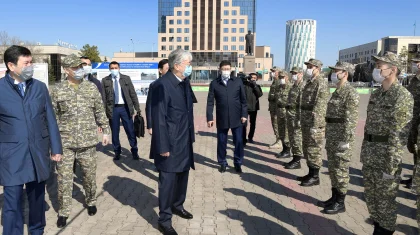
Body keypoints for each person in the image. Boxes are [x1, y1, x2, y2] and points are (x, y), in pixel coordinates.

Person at [0, 45, 63, 235]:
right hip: (12, 155)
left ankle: (37, 230)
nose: (31, 66)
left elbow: (50, 119)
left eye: (31, 62)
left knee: (36, 198)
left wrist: (56, 148)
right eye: (26, 63)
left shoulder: (39, 87)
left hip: (38, 152)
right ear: (11, 66)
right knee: (12, 201)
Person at [50, 54, 110, 228]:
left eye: (80, 67)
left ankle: (91, 201)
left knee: (89, 177)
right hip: (65, 143)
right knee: (64, 179)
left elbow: (100, 111)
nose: (79, 70)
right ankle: (63, 211)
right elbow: (52, 118)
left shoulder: (91, 88)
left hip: (88, 142)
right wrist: (53, 144)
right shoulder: (58, 90)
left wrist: (106, 131)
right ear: (66, 70)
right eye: (75, 68)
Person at [361, 52, 413, 234]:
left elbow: (399, 134)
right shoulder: (376, 94)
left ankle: (385, 230)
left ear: (393, 70)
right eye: (376, 66)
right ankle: (378, 227)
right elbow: (368, 126)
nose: (376, 69)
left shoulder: (402, 96)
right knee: (371, 197)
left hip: (386, 158)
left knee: (386, 201)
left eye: (380, 66)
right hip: (370, 153)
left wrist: (391, 165)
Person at [150, 49, 195, 235]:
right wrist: (163, 146)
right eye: (188, 63)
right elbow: (159, 118)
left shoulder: (184, 82)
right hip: (169, 142)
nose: (190, 67)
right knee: (167, 182)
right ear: (177, 66)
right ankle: (164, 220)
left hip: (184, 140)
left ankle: (178, 205)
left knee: (182, 177)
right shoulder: (161, 85)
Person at [317, 62, 359, 214]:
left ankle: (340, 202)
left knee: (341, 170)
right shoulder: (337, 91)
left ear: (345, 73)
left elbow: (351, 121)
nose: (334, 73)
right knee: (333, 168)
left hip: (342, 138)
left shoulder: (350, 92)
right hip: (332, 135)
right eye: (334, 70)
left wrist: (345, 142)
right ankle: (334, 198)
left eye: (337, 71)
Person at [207, 60, 248, 173]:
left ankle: (238, 163)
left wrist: (244, 115)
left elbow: (244, 101)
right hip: (222, 117)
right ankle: (222, 163)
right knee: (221, 142)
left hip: (237, 117)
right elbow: (210, 102)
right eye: (224, 69)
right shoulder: (214, 83)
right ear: (219, 70)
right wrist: (209, 117)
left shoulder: (237, 81)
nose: (226, 71)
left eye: (228, 69)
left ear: (231, 70)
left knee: (239, 141)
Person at [297, 58, 329, 187]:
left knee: (314, 149)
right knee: (307, 147)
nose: (308, 69)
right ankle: (310, 173)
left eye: (310, 67)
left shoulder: (320, 82)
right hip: (306, 120)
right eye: (307, 66)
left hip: (314, 122)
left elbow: (320, 105)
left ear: (318, 68)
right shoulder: (310, 82)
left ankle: (315, 176)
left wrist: (315, 126)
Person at [102, 61, 141, 160]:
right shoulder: (105, 80)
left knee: (130, 130)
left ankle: (134, 150)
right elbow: (103, 98)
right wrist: (103, 112)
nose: (114, 69)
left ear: (119, 68)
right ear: (109, 69)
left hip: (125, 108)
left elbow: (132, 94)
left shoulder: (126, 78)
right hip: (113, 109)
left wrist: (138, 108)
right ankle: (117, 152)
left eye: (116, 67)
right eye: (112, 68)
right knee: (115, 132)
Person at [283, 67, 305, 169]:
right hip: (290, 115)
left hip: (297, 116)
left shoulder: (302, 86)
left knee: (297, 138)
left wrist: (300, 119)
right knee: (291, 137)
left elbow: (302, 104)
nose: (293, 75)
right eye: (292, 73)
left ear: (301, 74)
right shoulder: (294, 86)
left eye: (295, 73)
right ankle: (294, 158)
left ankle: (297, 160)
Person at [405, 54, 420, 189]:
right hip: (412, 120)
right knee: (413, 148)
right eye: (415, 62)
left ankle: (417, 179)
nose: (417, 65)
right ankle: (414, 176)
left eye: (419, 62)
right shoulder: (413, 80)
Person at [146, 59, 169, 135]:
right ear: (160, 70)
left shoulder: (178, 84)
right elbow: (149, 106)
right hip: (160, 123)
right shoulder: (154, 85)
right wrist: (150, 126)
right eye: (167, 69)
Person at [275, 70, 292, 158]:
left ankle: (288, 151)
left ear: (287, 77)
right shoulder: (278, 87)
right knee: (281, 132)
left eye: (283, 77)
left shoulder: (291, 87)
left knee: (286, 133)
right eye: (280, 77)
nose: (281, 79)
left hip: (287, 113)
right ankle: (284, 149)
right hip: (279, 112)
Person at [242, 73, 263, 144]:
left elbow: (260, 94)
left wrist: (255, 86)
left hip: (254, 108)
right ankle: (243, 139)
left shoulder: (257, 86)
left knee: (253, 123)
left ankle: (250, 137)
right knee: (244, 124)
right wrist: (245, 79)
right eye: (252, 77)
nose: (253, 79)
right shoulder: (245, 85)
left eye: (255, 78)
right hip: (245, 108)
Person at [268, 66, 282, 149]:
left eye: (274, 71)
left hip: (277, 108)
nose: (272, 72)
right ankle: (278, 140)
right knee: (274, 124)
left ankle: (279, 141)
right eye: (272, 71)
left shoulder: (280, 82)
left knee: (277, 124)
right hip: (272, 107)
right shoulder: (275, 81)